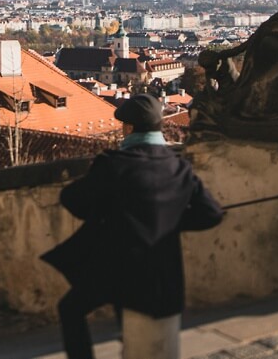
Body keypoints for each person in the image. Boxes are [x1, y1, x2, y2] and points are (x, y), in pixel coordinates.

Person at [42, 94, 224, 359]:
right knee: (128, 314)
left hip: (118, 269)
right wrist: (168, 220)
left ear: (128, 128)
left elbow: (71, 199)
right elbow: (212, 214)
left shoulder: (115, 165)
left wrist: (108, 214)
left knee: (71, 308)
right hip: (163, 276)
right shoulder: (179, 168)